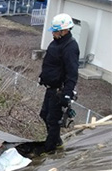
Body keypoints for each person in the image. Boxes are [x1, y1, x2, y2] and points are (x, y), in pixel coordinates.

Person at [38, 13, 79, 154]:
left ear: (64, 31)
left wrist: (67, 94)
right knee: (44, 115)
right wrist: (43, 77)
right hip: (50, 88)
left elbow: (72, 73)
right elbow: (51, 64)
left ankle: (50, 149)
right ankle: (56, 141)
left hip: (59, 90)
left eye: (56, 31)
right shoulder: (55, 43)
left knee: (53, 120)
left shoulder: (70, 47)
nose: (53, 33)